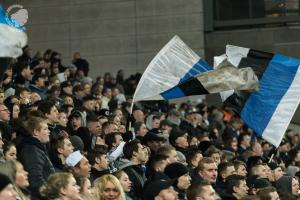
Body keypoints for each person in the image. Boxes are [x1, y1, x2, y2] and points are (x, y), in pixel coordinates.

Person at [18, 116, 55, 200]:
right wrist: (53, 196)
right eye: (45, 129)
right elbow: (35, 180)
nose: (49, 131)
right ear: (35, 132)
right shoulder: (31, 150)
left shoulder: (37, 148)